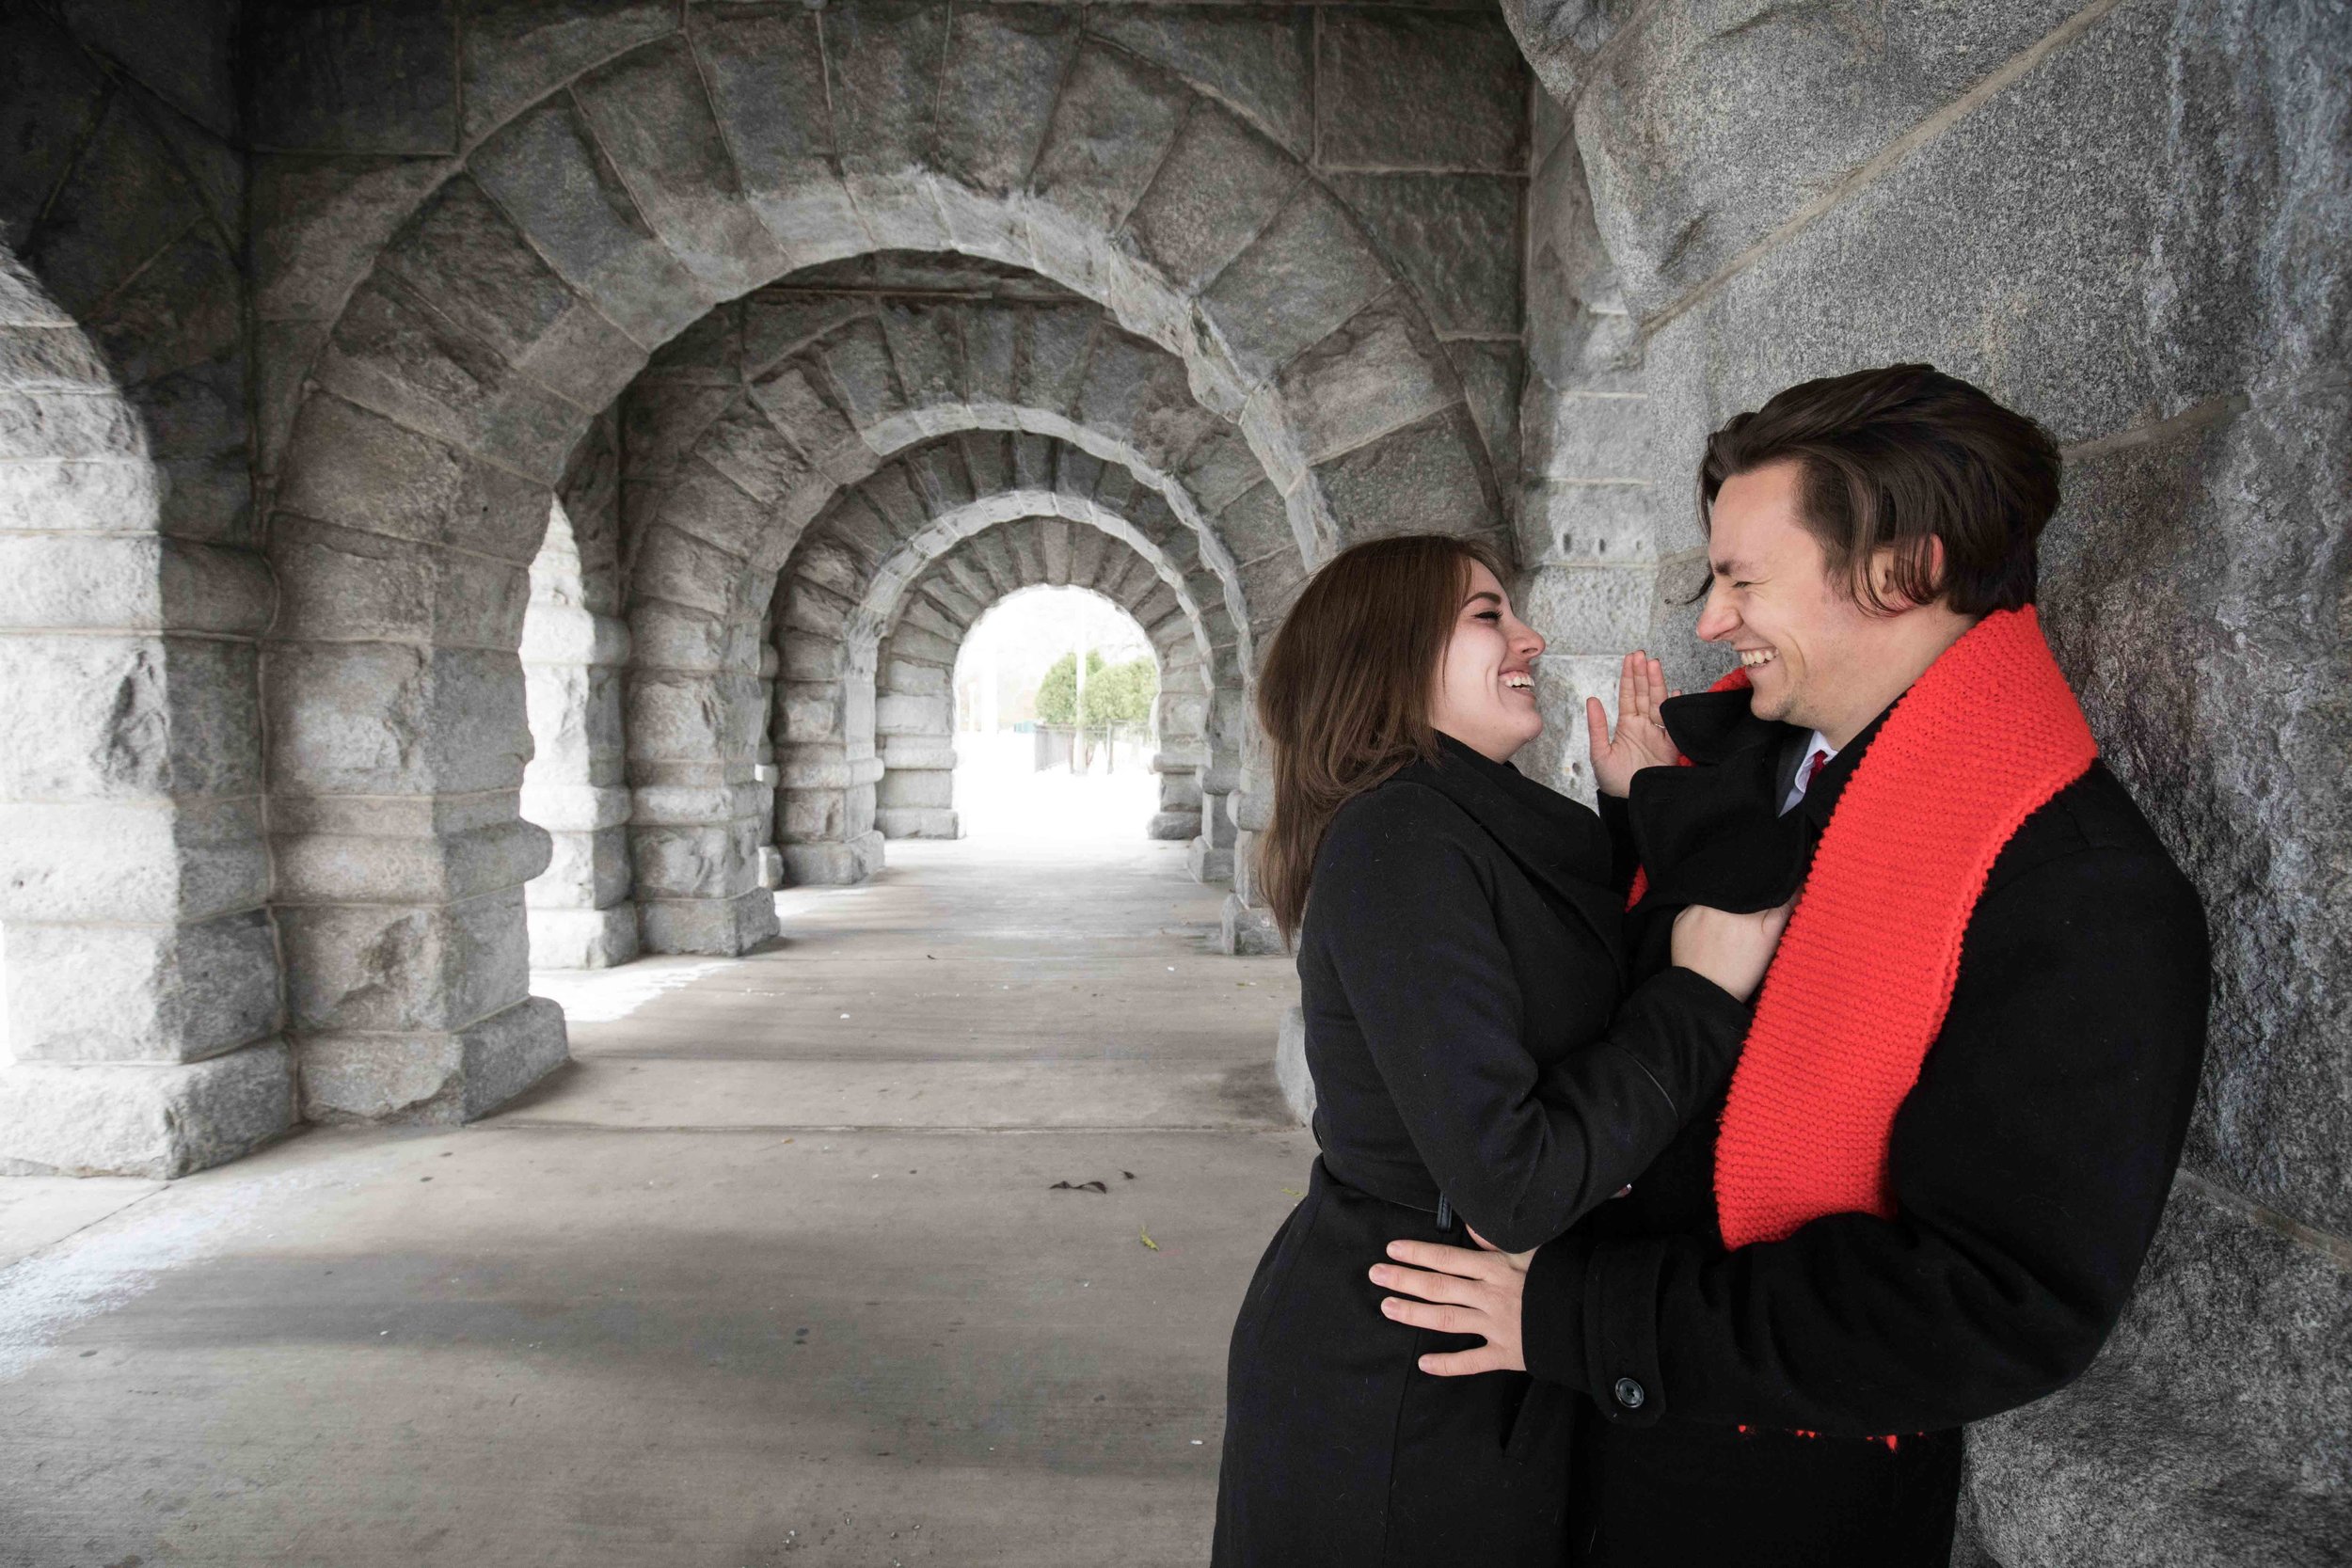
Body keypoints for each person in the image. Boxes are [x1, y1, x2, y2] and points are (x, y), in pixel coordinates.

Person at [1372, 365, 2211, 1565]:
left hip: (1765, 1502)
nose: (1709, 620)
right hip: (1562, 1454)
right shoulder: (1729, 783)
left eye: (1740, 579)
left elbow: (1990, 1304)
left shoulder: (2078, 890)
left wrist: (1576, 1314)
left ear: (1903, 570)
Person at [1211, 533, 1789, 1566]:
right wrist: (1698, 991)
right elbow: (1510, 1182)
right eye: (1487, 615)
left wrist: (1635, 807)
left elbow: (1550, 973)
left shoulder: (1458, 826)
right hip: (1402, 1374)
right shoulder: (1400, 843)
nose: (1530, 635)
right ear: (1387, 655)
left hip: (1457, 1341)